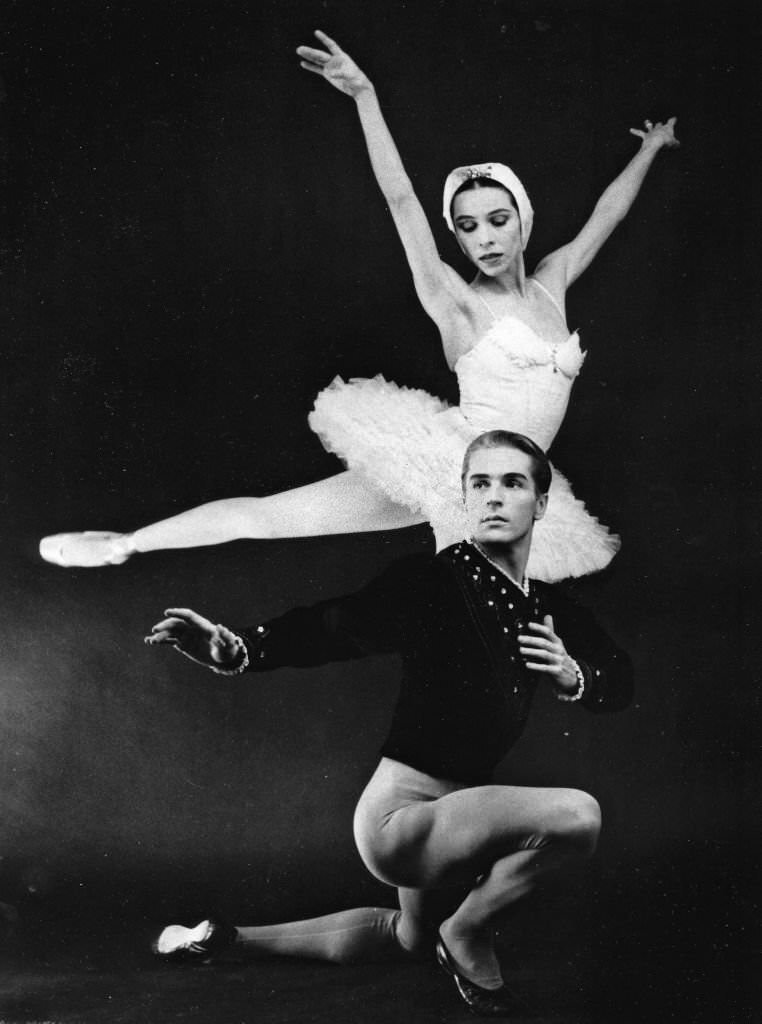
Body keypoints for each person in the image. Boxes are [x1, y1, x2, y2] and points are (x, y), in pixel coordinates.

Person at [40, 31, 678, 580]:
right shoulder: (454, 301)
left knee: (482, 602)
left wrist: (649, 149)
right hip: (451, 464)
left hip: (511, 478)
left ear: (522, 221)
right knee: (273, 518)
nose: (483, 238)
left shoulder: (551, 282)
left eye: (496, 220)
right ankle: (123, 544)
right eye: (466, 226)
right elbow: (401, 199)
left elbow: (607, 214)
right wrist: (366, 98)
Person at [146, 429, 633, 1016]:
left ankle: (225, 939)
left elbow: (619, 680)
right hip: (402, 820)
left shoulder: (545, 607)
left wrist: (573, 674)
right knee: (579, 815)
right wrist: (244, 648)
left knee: (408, 937)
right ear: (463, 498)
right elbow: (336, 623)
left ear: (542, 503)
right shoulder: (436, 581)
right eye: (480, 483)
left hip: (456, 818)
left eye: (513, 482)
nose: (495, 497)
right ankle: (469, 931)